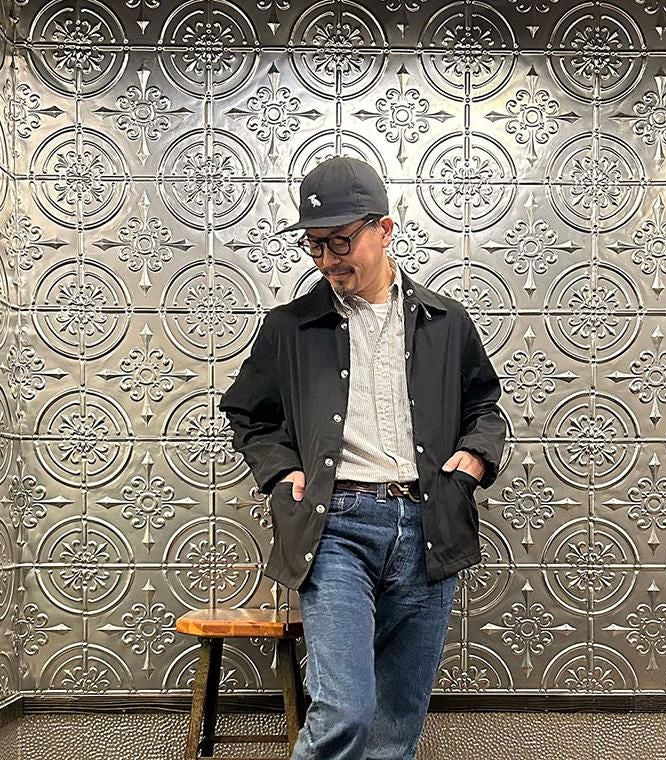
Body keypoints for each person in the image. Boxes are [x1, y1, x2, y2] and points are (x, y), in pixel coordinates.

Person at [219, 156, 505, 759]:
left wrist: (475, 459)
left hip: (426, 525)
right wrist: (281, 471)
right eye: (315, 244)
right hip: (336, 526)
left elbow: (484, 406)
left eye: (340, 241)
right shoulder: (290, 328)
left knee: (396, 724)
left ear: (384, 229)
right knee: (344, 710)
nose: (327, 259)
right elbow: (249, 412)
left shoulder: (446, 322)